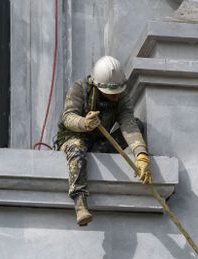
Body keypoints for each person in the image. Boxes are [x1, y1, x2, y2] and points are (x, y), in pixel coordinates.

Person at [55, 56, 152, 226]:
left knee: (138, 124)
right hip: (74, 137)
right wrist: (84, 123)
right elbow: (68, 117)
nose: (114, 97)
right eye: (110, 93)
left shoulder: (122, 96)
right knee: (77, 148)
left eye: (117, 93)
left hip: (100, 142)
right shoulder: (79, 89)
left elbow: (128, 123)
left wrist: (141, 154)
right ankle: (80, 203)